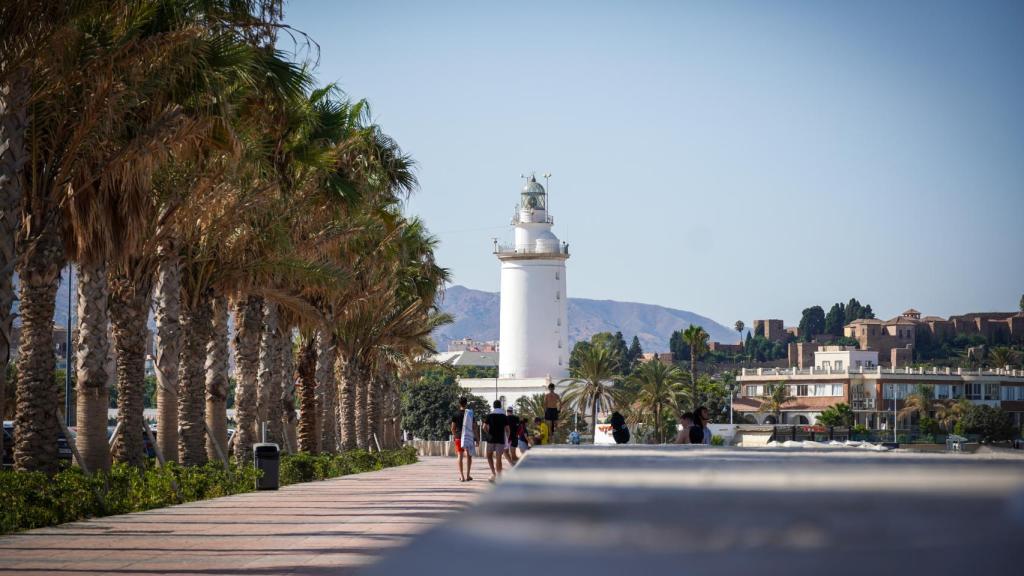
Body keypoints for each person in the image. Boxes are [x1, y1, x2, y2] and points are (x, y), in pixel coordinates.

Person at [450, 397, 477, 481]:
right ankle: (468, 475)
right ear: (466, 403)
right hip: (468, 436)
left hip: (458, 437)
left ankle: (462, 477)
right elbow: (474, 427)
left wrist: (455, 436)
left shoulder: (455, 414)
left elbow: (452, 428)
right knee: (469, 456)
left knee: (460, 456)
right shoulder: (470, 413)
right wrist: (477, 438)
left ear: (459, 403)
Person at [484, 400, 509, 482]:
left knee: (489, 456)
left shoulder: (490, 415)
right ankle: (499, 476)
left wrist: (488, 433)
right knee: (499, 458)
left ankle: (493, 473)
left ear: (493, 406)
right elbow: (507, 429)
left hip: (491, 439)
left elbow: (484, 427)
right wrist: (507, 438)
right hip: (500, 439)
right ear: (500, 406)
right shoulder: (504, 416)